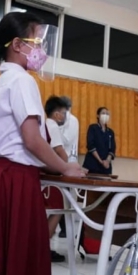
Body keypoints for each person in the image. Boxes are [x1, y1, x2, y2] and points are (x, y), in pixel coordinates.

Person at [0, 11, 86, 275]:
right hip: (17, 181)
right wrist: (66, 167)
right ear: (17, 45)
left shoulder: (4, 80)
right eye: (37, 40)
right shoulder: (22, 81)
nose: (41, 49)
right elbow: (33, 140)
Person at [43, 95, 69, 262]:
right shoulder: (53, 126)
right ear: (57, 114)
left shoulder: (42, 124)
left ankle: (41, 246)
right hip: (52, 175)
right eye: (64, 113)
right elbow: (60, 152)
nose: (65, 116)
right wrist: (68, 167)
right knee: (58, 210)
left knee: (46, 212)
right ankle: (44, 248)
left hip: (41, 173)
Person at [57, 95, 79, 238]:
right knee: (58, 196)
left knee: (67, 198)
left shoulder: (73, 120)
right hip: (57, 160)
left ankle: (68, 228)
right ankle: (62, 227)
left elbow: (66, 139)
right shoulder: (59, 120)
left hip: (68, 160)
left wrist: (55, 128)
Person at [82, 107, 116, 175]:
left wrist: (107, 161)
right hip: (92, 164)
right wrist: (101, 161)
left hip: (106, 167)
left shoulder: (110, 132)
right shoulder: (93, 128)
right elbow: (90, 145)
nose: (105, 115)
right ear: (98, 115)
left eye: (107, 114)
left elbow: (112, 149)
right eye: (103, 113)